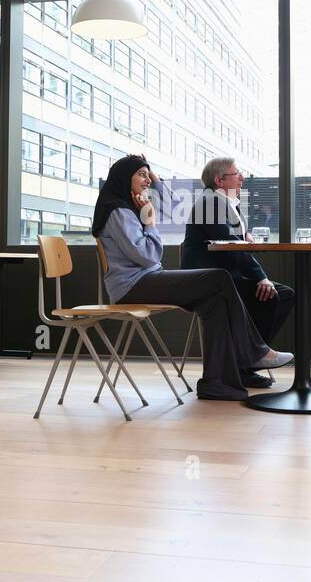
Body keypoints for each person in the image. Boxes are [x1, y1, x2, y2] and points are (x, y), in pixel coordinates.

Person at [92, 155, 293, 401]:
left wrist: (153, 177)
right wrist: (150, 223)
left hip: (147, 278)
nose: (146, 181)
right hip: (132, 286)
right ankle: (254, 353)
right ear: (125, 179)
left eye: (148, 175)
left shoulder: (134, 204)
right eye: (141, 175)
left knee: (215, 302)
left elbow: (172, 205)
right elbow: (148, 255)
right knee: (219, 279)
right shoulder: (120, 212)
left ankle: (217, 384)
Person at [181, 157, 296, 346]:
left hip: (224, 276)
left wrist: (245, 236)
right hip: (209, 281)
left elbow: (230, 238)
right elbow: (231, 245)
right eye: (236, 174)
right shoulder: (211, 203)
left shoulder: (222, 202)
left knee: (282, 294)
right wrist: (261, 277)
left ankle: (249, 357)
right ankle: (249, 357)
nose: (242, 178)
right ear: (220, 181)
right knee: (273, 296)